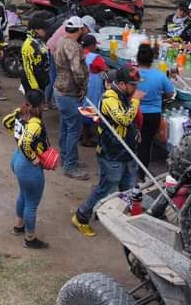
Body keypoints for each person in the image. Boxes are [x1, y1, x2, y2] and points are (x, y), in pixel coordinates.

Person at [72, 67, 142, 238]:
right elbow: (124, 119)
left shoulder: (125, 96)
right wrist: (136, 101)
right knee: (105, 188)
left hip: (127, 152)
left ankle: (126, 220)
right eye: (133, 85)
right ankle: (81, 216)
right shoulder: (109, 98)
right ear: (123, 84)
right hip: (112, 154)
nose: (136, 89)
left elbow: (129, 123)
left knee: (129, 188)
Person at [3, 89, 51, 249]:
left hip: (17, 159)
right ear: (39, 105)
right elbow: (25, 143)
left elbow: (6, 121)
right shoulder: (35, 122)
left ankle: (19, 226)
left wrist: (16, 135)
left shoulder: (19, 112)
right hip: (27, 165)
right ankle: (30, 239)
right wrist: (34, 158)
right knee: (32, 202)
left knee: (24, 193)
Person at [53, 16, 90, 180]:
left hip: (60, 89)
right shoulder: (72, 46)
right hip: (69, 92)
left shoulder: (61, 40)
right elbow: (77, 70)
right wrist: (83, 86)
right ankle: (70, 165)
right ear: (79, 29)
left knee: (65, 126)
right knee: (74, 129)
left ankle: (66, 157)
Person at [133, 44, 174, 173]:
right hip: (153, 115)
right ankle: (142, 172)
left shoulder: (132, 74)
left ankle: (130, 169)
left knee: (132, 140)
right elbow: (170, 93)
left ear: (137, 59)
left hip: (134, 113)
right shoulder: (160, 76)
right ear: (152, 59)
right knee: (146, 143)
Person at [21, 15, 52, 100]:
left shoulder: (39, 41)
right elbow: (28, 69)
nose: (45, 31)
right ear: (36, 30)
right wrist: (35, 88)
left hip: (41, 78)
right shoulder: (28, 45)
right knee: (34, 107)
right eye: (43, 29)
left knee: (39, 106)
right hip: (32, 82)